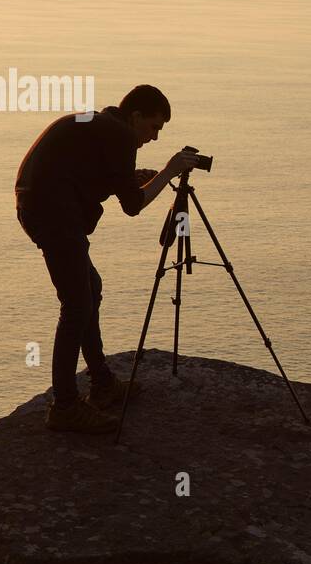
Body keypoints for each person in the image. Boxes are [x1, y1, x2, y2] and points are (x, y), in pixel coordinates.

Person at [14, 85, 201, 434]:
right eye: (154, 127)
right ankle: (66, 407)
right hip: (53, 212)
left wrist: (128, 179)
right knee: (76, 305)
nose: (154, 137)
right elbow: (133, 207)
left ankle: (101, 382)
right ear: (136, 117)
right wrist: (169, 171)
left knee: (90, 289)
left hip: (41, 205)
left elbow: (84, 170)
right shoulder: (119, 135)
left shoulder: (103, 125)